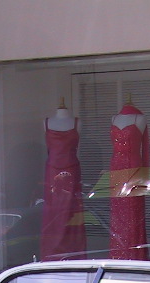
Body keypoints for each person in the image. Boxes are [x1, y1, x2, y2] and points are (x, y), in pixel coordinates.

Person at [40, 99, 87, 260]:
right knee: (53, 213)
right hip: (52, 174)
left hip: (71, 173)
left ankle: (74, 254)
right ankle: (52, 255)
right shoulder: (45, 123)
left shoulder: (76, 123)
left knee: (71, 212)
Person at [109, 99, 150, 259]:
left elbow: (145, 149)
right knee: (118, 215)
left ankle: (133, 254)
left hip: (133, 168)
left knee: (133, 213)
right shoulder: (114, 118)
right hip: (116, 168)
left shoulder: (139, 119)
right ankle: (117, 254)